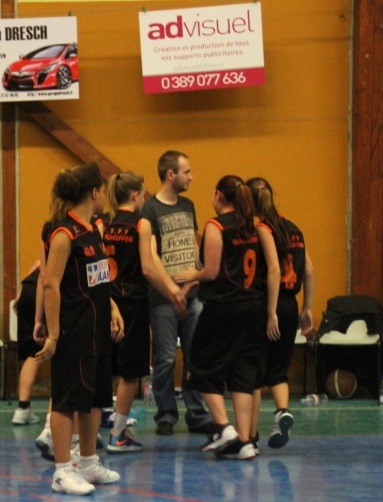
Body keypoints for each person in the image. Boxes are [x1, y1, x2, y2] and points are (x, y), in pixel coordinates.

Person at [36, 163, 123, 495]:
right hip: (73, 329)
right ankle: (61, 471)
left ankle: (87, 462)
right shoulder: (64, 234)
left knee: (95, 399)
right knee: (66, 400)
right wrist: (53, 334)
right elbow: (50, 284)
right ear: (94, 193)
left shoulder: (92, 230)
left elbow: (98, 278)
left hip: (97, 330)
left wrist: (112, 307)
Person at [176, 175, 265, 460]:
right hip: (252, 306)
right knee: (242, 374)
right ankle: (245, 441)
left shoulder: (216, 226)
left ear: (218, 195)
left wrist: (192, 274)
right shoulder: (252, 226)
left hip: (224, 306)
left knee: (199, 368)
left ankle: (224, 427)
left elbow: (212, 272)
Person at [102, 171, 188, 454]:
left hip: (107, 303)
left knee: (104, 369)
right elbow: (149, 268)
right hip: (133, 303)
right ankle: (117, 434)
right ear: (135, 195)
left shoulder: (104, 224)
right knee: (130, 373)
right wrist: (172, 292)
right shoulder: (141, 224)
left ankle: (89, 434)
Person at [140, 150, 213, 436]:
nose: (191, 177)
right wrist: (171, 288)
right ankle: (166, 414)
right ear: (171, 175)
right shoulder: (150, 209)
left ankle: (197, 413)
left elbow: (193, 246)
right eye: (187, 172)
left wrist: (193, 279)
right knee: (166, 359)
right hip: (163, 300)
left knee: (195, 356)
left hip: (192, 295)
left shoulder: (188, 205)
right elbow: (152, 255)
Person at [248, 177, 315, 451]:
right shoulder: (293, 228)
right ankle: (282, 412)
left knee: (254, 372)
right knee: (278, 370)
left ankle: (250, 436)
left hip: (270, 304)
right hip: (291, 305)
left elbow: (274, 270)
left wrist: (271, 311)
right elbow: (309, 270)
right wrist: (307, 307)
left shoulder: (262, 228)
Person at [12, 261, 43, 425]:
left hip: (28, 289)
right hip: (44, 289)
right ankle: (55, 417)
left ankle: (22, 409)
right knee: (63, 353)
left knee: (33, 353)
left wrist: (21, 293)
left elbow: (38, 263)